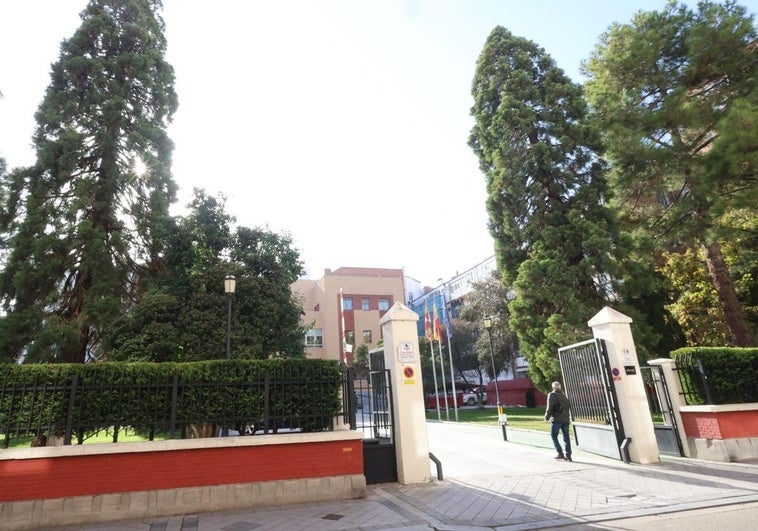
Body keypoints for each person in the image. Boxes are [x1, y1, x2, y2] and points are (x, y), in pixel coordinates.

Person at [544, 381, 572, 461]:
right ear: (560, 388)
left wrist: (546, 417)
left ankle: (560, 453)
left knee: (553, 436)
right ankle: (568, 455)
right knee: (566, 437)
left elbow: (549, 407)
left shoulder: (551, 395)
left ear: (553, 388)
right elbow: (568, 407)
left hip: (556, 419)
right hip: (566, 419)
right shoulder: (564, 396)